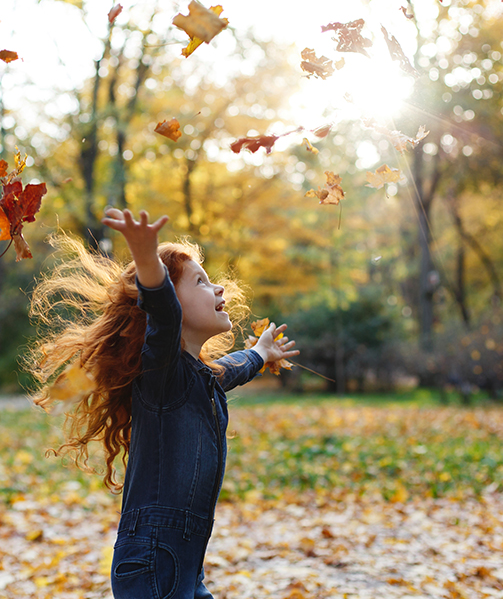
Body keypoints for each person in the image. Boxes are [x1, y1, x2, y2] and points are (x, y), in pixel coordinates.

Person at [26, 207, 299, 599]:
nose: (218, 288)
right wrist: (146, 257)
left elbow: (234, 368)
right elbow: (164, 312)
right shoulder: (161, 375)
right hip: (153, 561)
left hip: (182, 565)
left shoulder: (200, 377)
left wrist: (260, 352)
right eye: (201, 283)